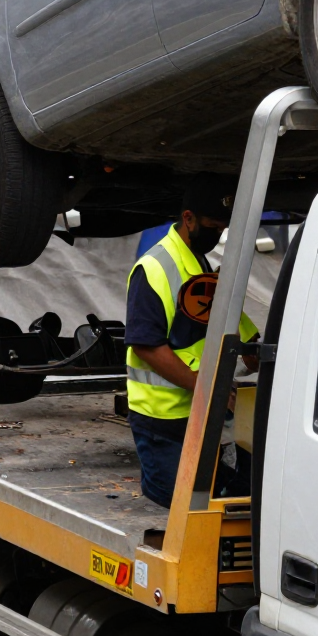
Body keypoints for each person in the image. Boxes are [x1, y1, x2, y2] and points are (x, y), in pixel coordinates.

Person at [125, 175, 257, 507]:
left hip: (197, 414)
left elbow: (225, 320)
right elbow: (147, 346)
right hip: (162, 420)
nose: (218, 235)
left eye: (222, 229)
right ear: (188, 219)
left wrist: (256, 347)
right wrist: (205, 386)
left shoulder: (199, 264)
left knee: (207, 503)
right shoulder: (153, 268)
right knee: (174, 506)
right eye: (212, 227)